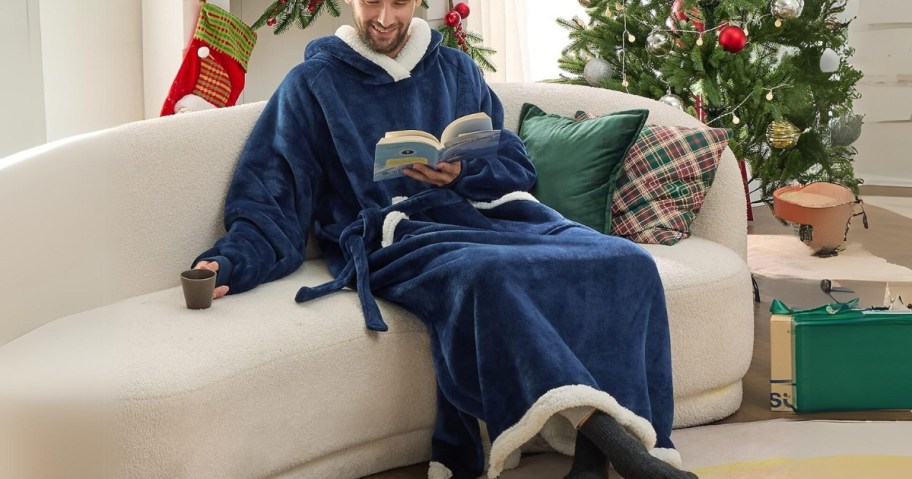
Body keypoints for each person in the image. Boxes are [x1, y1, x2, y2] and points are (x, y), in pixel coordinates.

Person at [193, 1, 697, 478]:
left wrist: (460, 173)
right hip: (397, 234)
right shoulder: (312, 84)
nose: (384, 19)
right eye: (371, 4)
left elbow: (515, 165)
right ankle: (622, 449)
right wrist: (231, 261)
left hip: (489, 216)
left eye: (398, 4)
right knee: (485, 276)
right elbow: (270, 192)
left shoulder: (456, 69)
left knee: (625, 260)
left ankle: (590, 461)